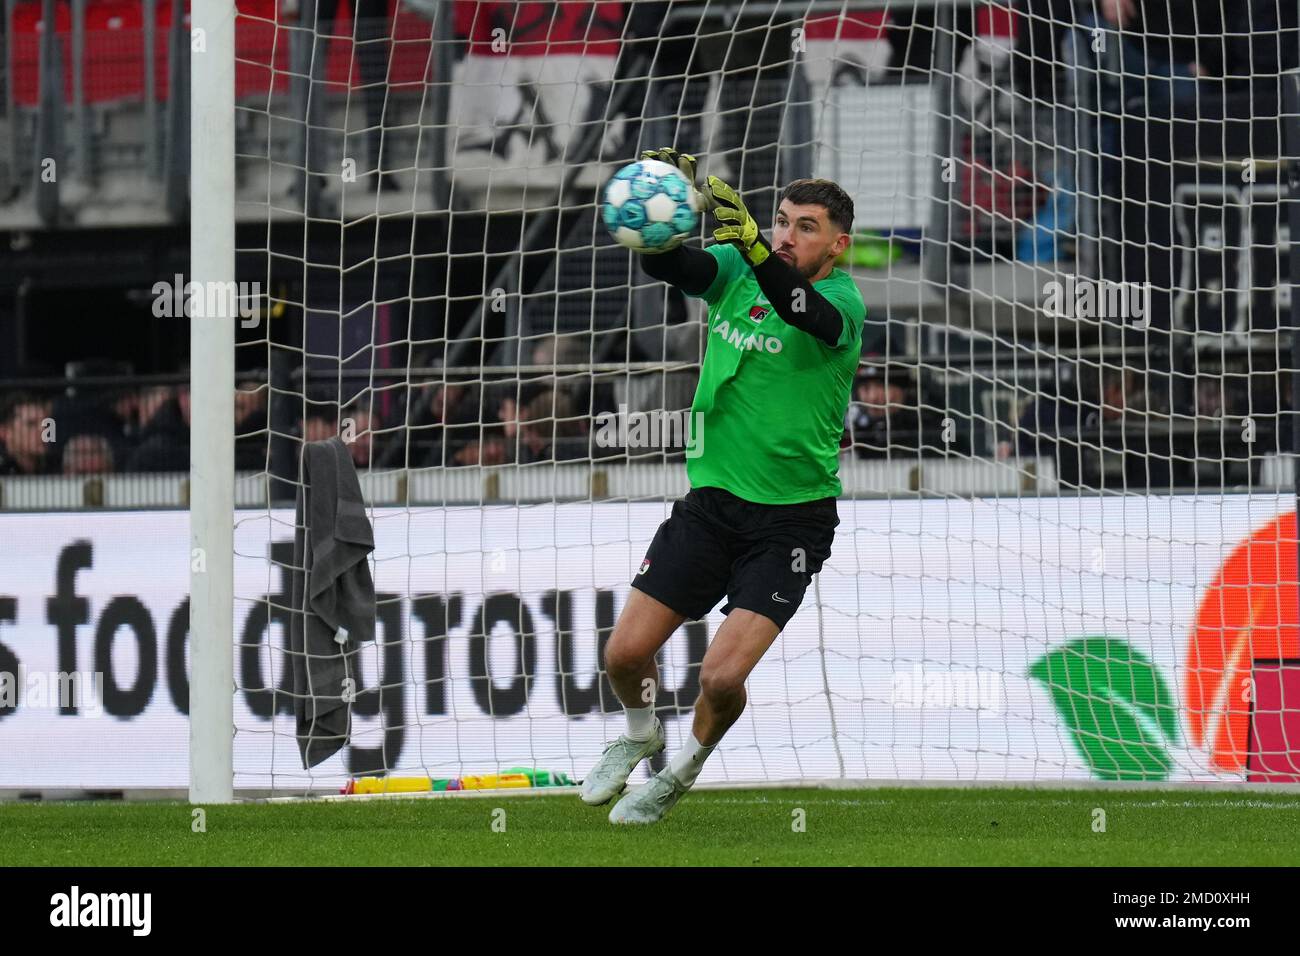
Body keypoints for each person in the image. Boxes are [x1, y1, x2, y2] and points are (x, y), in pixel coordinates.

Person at [579, 148, 865, 824]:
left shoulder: (843, 302)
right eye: (782, 222)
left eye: (806, 227)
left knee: (720, 676)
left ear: (838, 243)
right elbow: (671, 267)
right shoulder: (738, 267)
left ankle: (681, 773)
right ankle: (640, 735)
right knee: (623, 655)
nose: (789, 236)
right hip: (710, 506)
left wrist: (758, 248)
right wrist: (669, 220)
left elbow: (799, 311)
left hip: (791, 523)